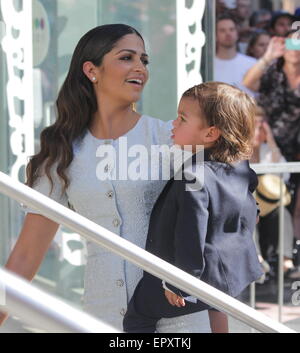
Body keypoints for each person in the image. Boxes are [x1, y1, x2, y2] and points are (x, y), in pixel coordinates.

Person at [0, 24, 211, 332]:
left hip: (178, 319)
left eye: (144, 60)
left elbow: (212, 232)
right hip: (103, 318)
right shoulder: (61, 155)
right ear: (91, 70)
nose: (140, 67)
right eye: (127, 57)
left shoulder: (169, 138)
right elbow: (26, 256)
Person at [123, 82, 263, 333]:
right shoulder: (238, 166)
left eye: (182, 118)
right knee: (216, 306)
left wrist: (179, 285)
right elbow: (250, 188)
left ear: (210, 134)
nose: (173, 123)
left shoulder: (193, 175)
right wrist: (254, 214)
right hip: (229, 277)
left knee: (137, 316)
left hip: (192, 281)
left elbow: (191, 235)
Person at [243, 30, 300, 243]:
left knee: (297, 205)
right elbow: (248, 81)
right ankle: (274, 253)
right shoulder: (273, 72)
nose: (295, 50)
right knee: (273, 198)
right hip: (268, 141)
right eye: (291, 44)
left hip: (297, 145)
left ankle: (294, 251)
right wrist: (268, 56)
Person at [250, 106, 299, 280]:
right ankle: (257, 261)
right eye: (253, 125)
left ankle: (286, 263)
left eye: (260, 127)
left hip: (268, 206)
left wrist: (270, 140)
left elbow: (284, 174)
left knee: (282, 213)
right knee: (248, 213)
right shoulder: (240, 151)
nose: (257, 131)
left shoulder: (267, 152)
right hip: (248, 205)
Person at [214, 15, 257, 96]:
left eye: (231, 29)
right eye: (222, 30)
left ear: (237, 34)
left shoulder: (252, 63)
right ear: (215, 36)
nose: (228, 33)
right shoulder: (209, 67)